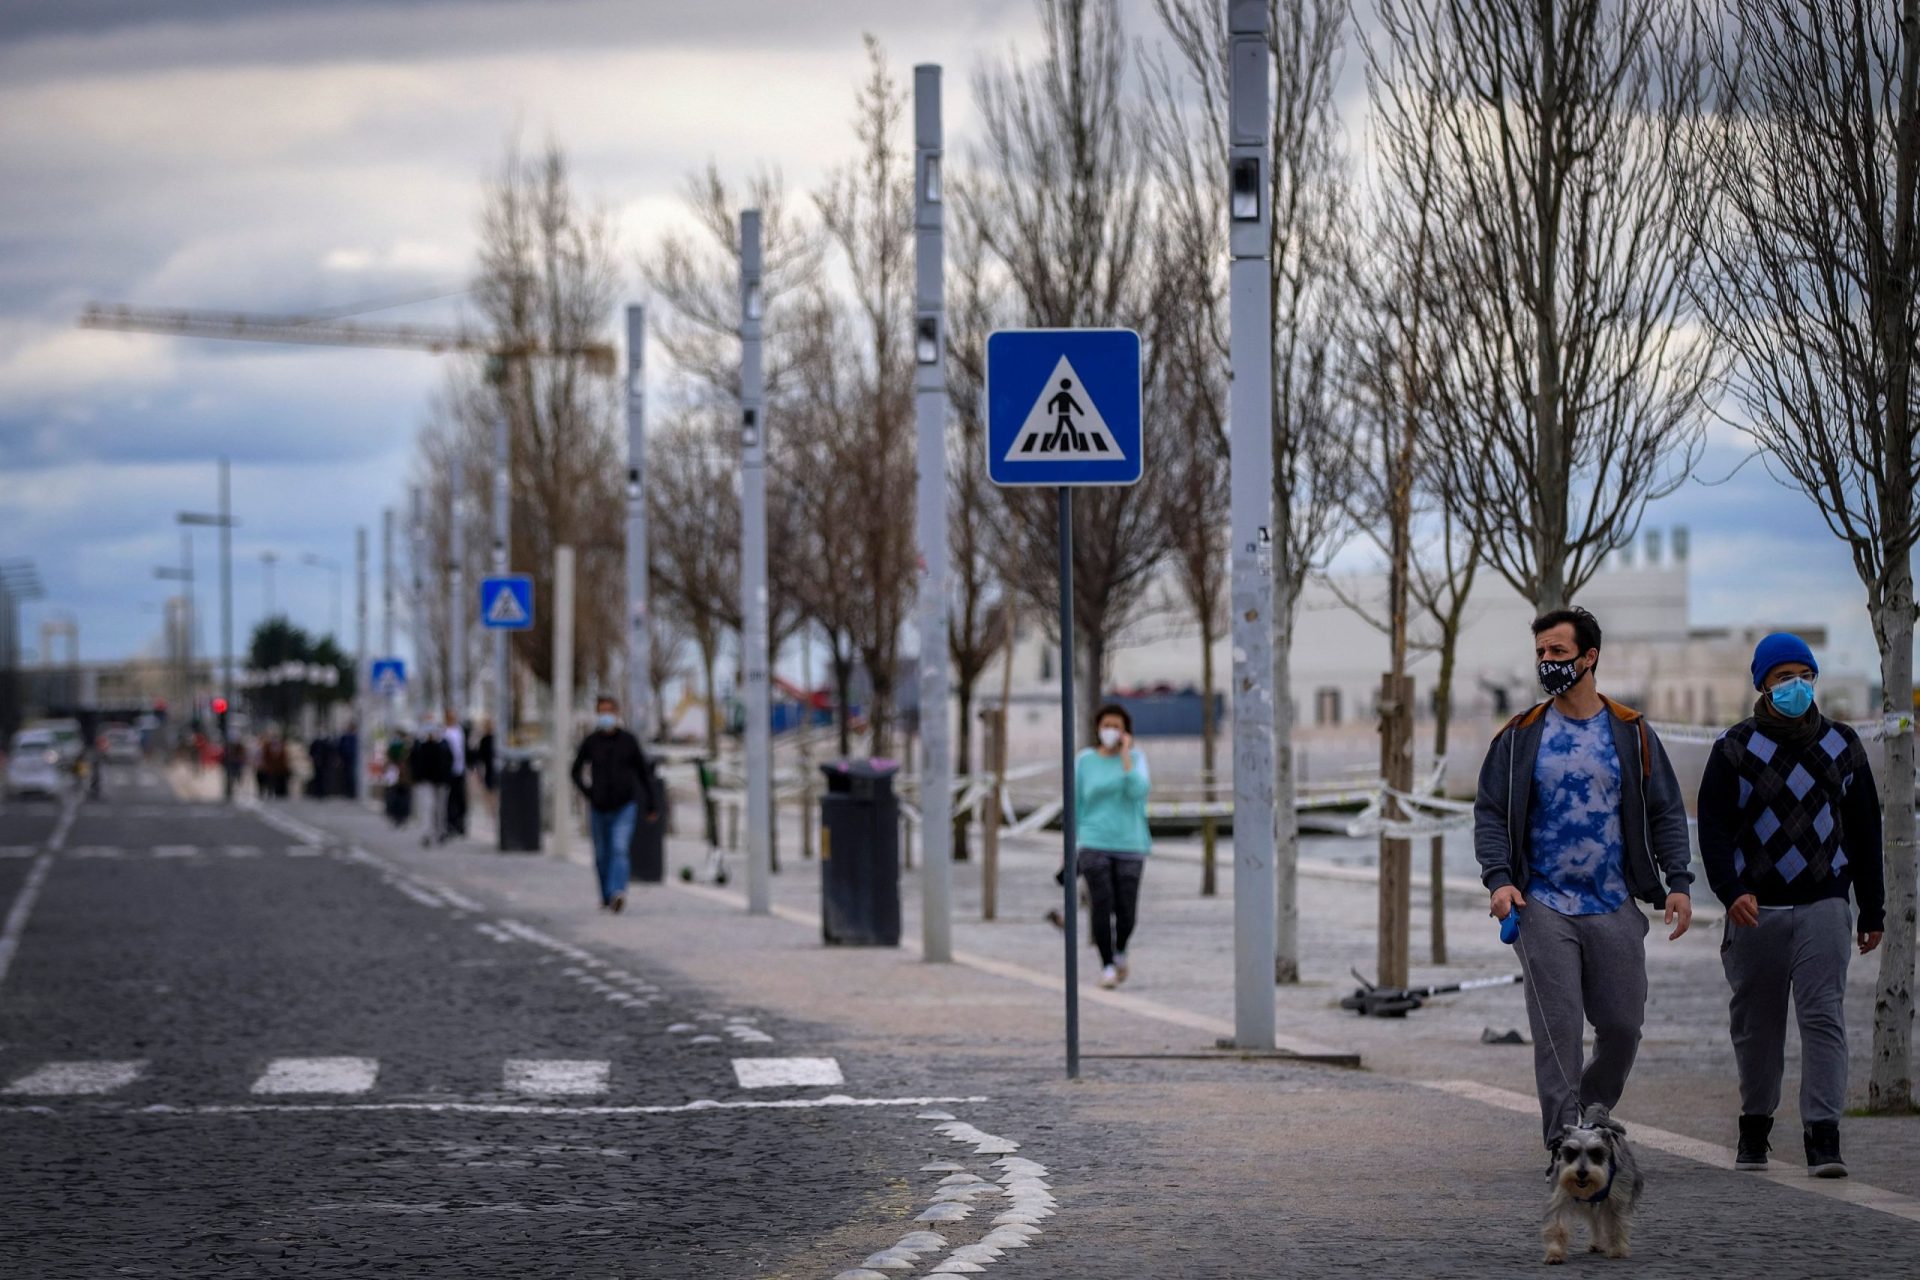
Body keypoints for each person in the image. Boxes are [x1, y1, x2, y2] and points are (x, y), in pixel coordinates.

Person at [1474, 606, 1694, 1149]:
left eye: (1558, 652)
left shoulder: (1631, 732)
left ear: (1589, 656)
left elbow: (1666, 810)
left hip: (1615, 902)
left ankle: (1591, 1108)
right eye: (1541, 653)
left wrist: (1679, 883)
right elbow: (1490, 812)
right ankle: (1563, 1141)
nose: (1547, 663)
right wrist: (1499, 880)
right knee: (1559, 1033)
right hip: (1541, 904)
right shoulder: (1519, 736)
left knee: (1622, 1027)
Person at [1697, 633, 1885, 1178]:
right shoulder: (1735, 748)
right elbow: (1713, 829)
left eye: (1805, 675)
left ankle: (1823, 1138)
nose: (1797, 686)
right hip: (1756, 910)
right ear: (1763, 684)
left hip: (1824, 903)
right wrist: (1731, 892)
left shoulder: (1842, 745)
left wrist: (1871, 910)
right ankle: (1755, 1126)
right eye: (1784, 677)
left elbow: (1865, 831)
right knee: (1757, 1027)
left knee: (1824, 1018)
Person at [1074, 703, 1151, 989]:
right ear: (1098, 728)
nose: (1111, 731)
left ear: (1126, 732)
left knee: (1126, 910)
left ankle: (1121, 950)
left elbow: (1138, 791)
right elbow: (1076, 801)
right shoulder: (1084, 761)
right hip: (1093, 841)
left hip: (1130, 843)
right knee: (1101, 904)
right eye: (1106, 725)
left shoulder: (1137, 759)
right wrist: (1073, 843)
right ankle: (1106, 964)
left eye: (1116, 727)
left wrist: (1126, 758)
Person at [570, 696, 659, 913]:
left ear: (617, 713)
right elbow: (575, 770)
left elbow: (643, 772)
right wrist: (589, 793)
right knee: (601, 855)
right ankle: (606, 896)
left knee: (619, 849)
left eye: (610, 711)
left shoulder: (628, 741)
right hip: (599, 807)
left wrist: (651, 803)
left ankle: (618, 891)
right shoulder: (591, 742)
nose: (606, 716)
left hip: (624, 805)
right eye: (602, 711)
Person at [444, 712, 468, 837]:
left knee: (460, 798)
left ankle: (460, 823)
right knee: (450, 798)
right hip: (450, 771)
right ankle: (451, 823)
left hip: (460, 769)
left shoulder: (459, 731)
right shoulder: (445, 733)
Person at [475, 717, 499, 820]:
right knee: (489, 790)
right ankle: (491, 811)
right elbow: (480, 757)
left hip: (495, 768)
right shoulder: (484, 740)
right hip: (488, 768)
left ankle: (494, 809)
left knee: (495, 790)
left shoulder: (496, 739)